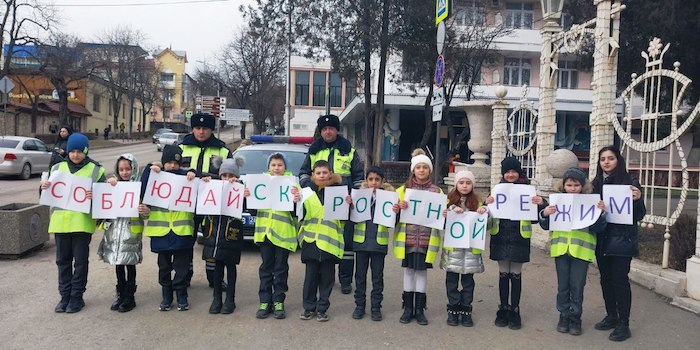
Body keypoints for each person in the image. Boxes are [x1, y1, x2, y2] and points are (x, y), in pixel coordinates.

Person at [41, 133, 107, 313]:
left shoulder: (96, 170)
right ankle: (64, 296)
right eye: (72, 151)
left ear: (86, 151)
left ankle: (77, 297)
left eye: (80, 151)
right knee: (62, 261)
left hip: (82, 224)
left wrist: (96, 196)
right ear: (68, 151)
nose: (76, 155)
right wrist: (43, 187)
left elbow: (105, 198)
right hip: (60, 224)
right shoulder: (57, 168)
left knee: (80, 262)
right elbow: (45, 194)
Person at [299, 114, 363, 294]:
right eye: (325, 129)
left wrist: (353, 196)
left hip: (344, 202)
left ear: (337, 130)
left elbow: (358, 176)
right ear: (321, 131)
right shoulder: (313, 150)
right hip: (319, 202)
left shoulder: (349, 150)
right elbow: (304, 173)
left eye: (331, 128)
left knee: (346, 243)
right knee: (325, 239)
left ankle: (345, 280)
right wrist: (308, 188)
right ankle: (326, 276)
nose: (328, 131)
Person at [539, 167, 607, 336]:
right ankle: (563, 315)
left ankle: (575, 317)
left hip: (581, 251)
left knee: (577, 286)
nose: (573, 188)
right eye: (569, 185)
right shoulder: (556, 201)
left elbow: (599, 227)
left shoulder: (590, 203)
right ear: (564, 186)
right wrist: (545, 213)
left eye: (576, 185)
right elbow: (545, 224)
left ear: (583, 187)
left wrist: (601, 213)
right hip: (561, 249)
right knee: (563, 286)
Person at [591, 146, 645, 342]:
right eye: (603, 159)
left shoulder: (630, 183)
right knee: (605, 279)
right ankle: (611, 316)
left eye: (611, 158)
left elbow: (639, 215)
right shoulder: (596, 184)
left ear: (618, 160)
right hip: (602, 240)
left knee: (620, 281)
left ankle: (624, 323)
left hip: (622, 240)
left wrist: (637, 200)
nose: (606, 162)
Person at [485, 156, 546, 330]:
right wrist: (486, 203)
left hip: (520, 237)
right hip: (501, 235)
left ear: (519, 172)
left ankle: (515, 309)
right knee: (503, 273)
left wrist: (541, 203)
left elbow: (535, 218)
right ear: (503, 173)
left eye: (514, 171)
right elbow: (486, 213)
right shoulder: (497, 190)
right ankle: (503, 307)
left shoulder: (527, 190)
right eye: (507, 172)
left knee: (516, 274)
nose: (511, 175)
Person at [140, 145, 198, 311]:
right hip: (161, 233)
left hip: (182, 232)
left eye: (175, 163)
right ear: (163, 162)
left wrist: (194, 172)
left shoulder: (186, 178)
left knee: (182, 268)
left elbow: (200, 181)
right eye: (169, 162)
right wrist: (151, 169)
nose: (172, 166)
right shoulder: (155, 177)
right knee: (164, 268)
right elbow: (143, 188)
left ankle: (181, 295)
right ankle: (166, 295)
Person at [179, 113, 232, 288]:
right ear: (192, 128)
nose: (201, 132)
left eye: (205, 128)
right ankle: (185, 274)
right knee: (187, 241)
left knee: (212, 240)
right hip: (187, 203)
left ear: (211, 130)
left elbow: (230, 175)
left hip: (212, 204)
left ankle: (214, 277)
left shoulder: (222, 150)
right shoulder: (181, 147)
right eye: (198, 128)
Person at [392, 149, 443, 326]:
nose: (421, 170)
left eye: (425, 167)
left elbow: (443, 217)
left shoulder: (437, 192)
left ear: (430, 170)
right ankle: (407, 308)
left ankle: (420, 309)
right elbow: (392, 216)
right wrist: (398, 208)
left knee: (421, 273)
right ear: (413, 170)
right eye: (418, 167)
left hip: (426, 240)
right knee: (408, 271)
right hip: (407, 239)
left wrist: (444, 213)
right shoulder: (402, 191)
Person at [248, 153, 299, 320]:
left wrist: (296, 199)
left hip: (283, 234)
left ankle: (278, 301)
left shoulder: (292, 184)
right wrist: (248, 198)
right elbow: (253, 211)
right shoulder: (260, 184)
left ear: (285, 168)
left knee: (281, 270)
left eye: (280, 165)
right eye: (273, 165)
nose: (276, 168)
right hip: (265, 234)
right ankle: (264, 302)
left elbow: (296, 213)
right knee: (266, 269)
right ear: (268, 167)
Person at [298, 161, 346, 322]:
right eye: (318, 173)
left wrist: (348, 205)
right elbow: (299, 214)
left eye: (325, 173)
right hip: (311, 241)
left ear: (330, 173)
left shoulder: (339, 193)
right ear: (313, 175)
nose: (322, 176)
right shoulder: (306, 193)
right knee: (310, 279)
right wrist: (295, 200)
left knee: (327, 279)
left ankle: (322, 308)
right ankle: (308, 308)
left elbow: (344, 219)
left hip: (330, 243)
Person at [97, 154, 145, 313]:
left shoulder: (139, 187)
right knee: (118, 263)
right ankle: (121, 293)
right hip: (114, 232)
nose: (125, 172)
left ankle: (130, 296)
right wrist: (108, 185)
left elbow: (146, 212)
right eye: (121, 169)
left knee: (130, 264)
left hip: (130, 232)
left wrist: (143, 210)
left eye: (128, 169)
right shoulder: (112, 186)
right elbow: (102, 204)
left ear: (134, 169)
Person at [440, 170, 487, 327]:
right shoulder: (448, 201)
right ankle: (453, 309)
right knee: (451, 281)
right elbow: (440, 222)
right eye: (461, 182)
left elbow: (486, 224)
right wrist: (447, 213)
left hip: (470, 250)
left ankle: (466, 309)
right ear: (456, 184)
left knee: (468, 282)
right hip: (453, 249)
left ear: (472, 185)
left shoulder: (478, 203)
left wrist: (485, 212)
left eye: (468, 183)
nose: (465, 186)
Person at [201, 158, 246, 314]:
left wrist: (243, 191)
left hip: (231, 234)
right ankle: (217, 299)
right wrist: (205, 182)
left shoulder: (240, 188)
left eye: (230, 175)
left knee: (231, 267)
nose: (227, 178)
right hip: (214, 234)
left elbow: (247, 207)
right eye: (224, 175)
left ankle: (230, 300)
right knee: (217, 267)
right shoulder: (213, 186)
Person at [351, 166, 394, 321]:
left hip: (378, 244)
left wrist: (396, 211)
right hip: (361, 243)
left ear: (382, 181)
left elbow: (392, 222)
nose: (374, 182)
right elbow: (350, 216)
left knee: (377, 278)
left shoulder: (389, 198)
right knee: (360, 277)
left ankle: (376, 307)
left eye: (377, 179)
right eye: (370, 179)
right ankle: (359, 306)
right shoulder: (358, 196)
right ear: (366, 181)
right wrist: (349, 204)